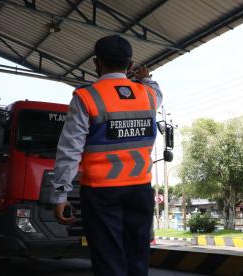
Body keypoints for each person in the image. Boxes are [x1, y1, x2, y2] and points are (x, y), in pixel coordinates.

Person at [50, 35, 162, 276]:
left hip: (101, 192)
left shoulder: (86, 97)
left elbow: (70, 148)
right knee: (138, 257)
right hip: (140, 189)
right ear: (130, 65)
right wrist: (146, 78)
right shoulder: (148, 96)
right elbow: (156, 90)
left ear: (95, 63)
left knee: (108, 258)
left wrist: (60, 195)